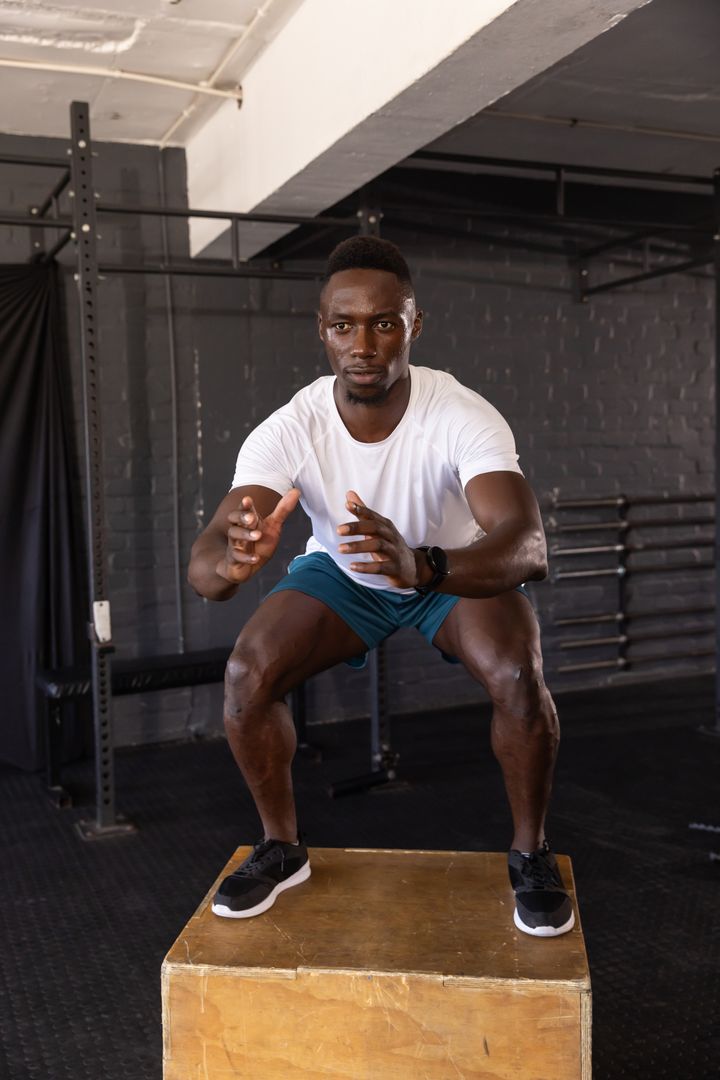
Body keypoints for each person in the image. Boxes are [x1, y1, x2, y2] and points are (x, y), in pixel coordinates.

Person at [187, 236, 574, 938]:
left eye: (384, 324)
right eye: (344, 325)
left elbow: (528, 546)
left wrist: (424, 565)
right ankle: (281, 847)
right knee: (247, 673)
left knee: (517, 673)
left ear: (414, 325)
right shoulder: (292, 427)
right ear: (323, 330)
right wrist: (232, 563)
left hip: (448, 569)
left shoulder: (459, 413)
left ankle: (531, 852)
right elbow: (207, 564)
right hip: (347, 573)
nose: (363, 345)